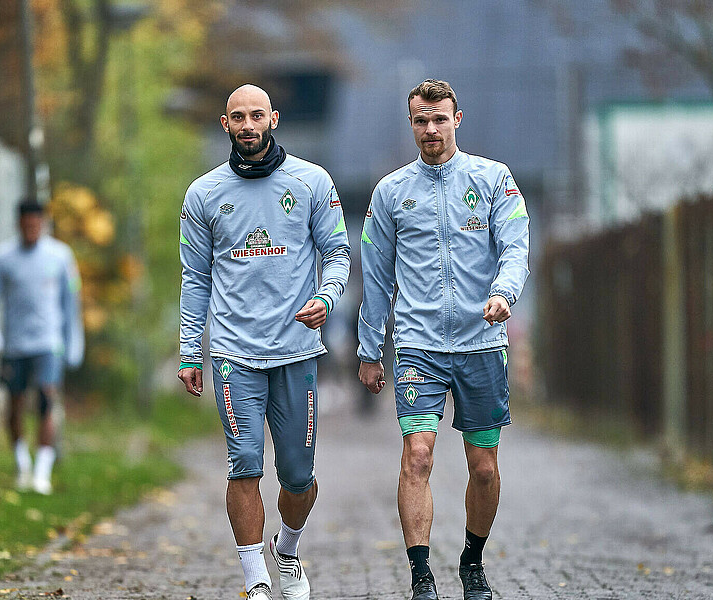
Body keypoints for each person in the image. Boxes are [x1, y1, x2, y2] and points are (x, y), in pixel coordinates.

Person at [357, 79, 529, 600]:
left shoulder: (493, 179)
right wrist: (369, 351)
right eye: (420, 121)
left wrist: (504, 295)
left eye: (439, 119)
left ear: (458, 118)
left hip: (481, 344)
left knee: (484, 466)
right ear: (411, 124)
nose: (430, 130)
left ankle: (472, 561)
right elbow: (376, 276)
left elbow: (516, 249)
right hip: (418, 345)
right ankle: (421, 576)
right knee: (418, 456)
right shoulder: (390, 192)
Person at [178, 84, 350, 600]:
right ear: (224, 124)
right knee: (245, 463)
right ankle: (254, 580)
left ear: (274, 118)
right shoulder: (203, 194)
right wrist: (191, 350)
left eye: (257, 115)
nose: (248, 125)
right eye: (238, 117)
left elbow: (338, 254)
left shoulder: (312, 180)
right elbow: (194, 277)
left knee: (299, 477)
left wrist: (327, 297)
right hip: (234, 353)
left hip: (296, 350)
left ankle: (289, 549)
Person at [0, 198, 84, 496]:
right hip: (14, 346)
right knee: (15, 404)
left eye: (36, 225)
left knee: (47, 399)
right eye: (26, 226)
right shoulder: (3, 258)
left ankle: (42, 473)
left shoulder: (60, 256)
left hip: (48, 343)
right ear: (19, 225)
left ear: (43, 223)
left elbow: (71, 303)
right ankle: (22, 463)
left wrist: (74, 342)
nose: (31, 231)